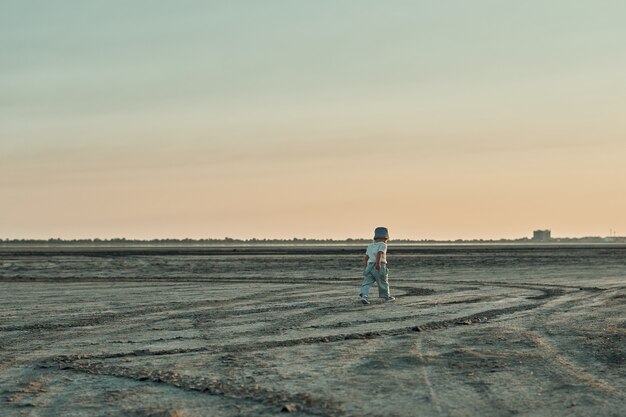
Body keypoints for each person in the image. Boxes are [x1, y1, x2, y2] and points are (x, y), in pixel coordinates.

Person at [359, 227, 396, 305]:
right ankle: (386, 297)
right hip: (379, 265)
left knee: (367, 282)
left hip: (369, 265)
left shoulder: (370, 246)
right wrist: (378, 263)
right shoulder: (383, 245)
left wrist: (365, 267)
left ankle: (364, 295)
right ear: (385, 238)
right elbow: (380, 253)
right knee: (383, 281)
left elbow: (366, 258)